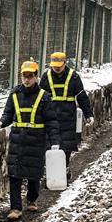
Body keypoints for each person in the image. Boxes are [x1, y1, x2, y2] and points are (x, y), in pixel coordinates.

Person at [0, 60, 60, 221]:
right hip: (17, 139)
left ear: (36, 76)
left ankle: (32, 199)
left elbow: (51, 121)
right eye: (24, 76)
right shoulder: (14, 94)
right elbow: (8, 113)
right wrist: (1, 122)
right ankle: (15, 208)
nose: (27, 79)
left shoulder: (44, 97)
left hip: (37, 140)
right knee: (15, 174)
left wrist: (54, 141)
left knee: (34, 173)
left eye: (30, 76)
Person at [39, 51, 94, 180]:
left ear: (65, 63)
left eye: (59, 65)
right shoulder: (46, 77)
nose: (57, 68)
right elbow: (39, 98)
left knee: (66, 145)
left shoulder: (73, 77)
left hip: (68, 117)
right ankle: (51, 170)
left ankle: (65, 167)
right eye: (54, 65)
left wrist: (88, 114)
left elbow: (82, 97)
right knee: (49, 144)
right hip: (50, 117)